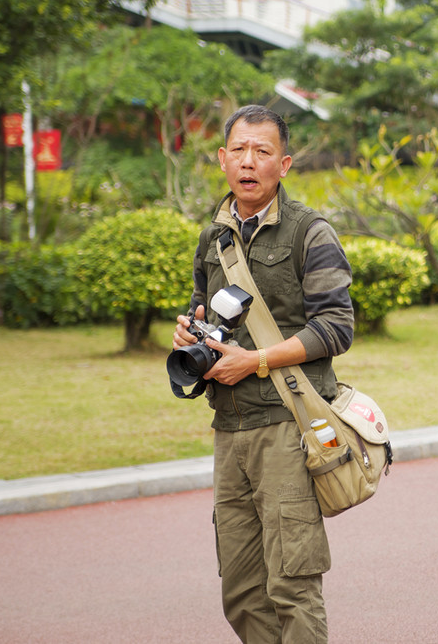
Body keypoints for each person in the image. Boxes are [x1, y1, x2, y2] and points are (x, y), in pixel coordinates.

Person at [173, 104, 354, 642]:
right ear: (222, 158)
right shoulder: (214, 238)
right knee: (243, 591)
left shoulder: (309, 233)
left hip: (287, 427)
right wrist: (190, 333)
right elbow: (203, 308)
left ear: (285, 164)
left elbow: (337, 327)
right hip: (230, 431)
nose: (249, 162)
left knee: (292, 586)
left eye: (263, 151)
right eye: (239, 150)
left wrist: (255, 361)